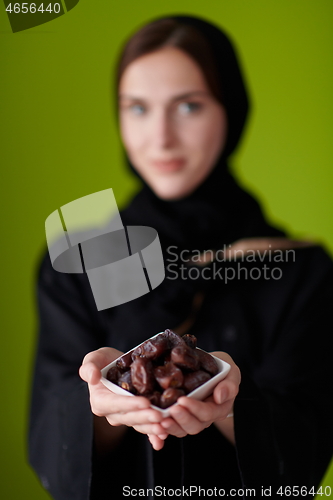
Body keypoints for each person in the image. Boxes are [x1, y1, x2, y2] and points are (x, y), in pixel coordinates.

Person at [29, 14, 333, 500]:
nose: (161, 138)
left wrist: (231, 404)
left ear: (230, 110)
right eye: (138, 109)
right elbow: (47, 449)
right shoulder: (76, 263)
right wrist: (102, 406)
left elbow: (306, 461)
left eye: (189, 106)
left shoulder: (301, 270)